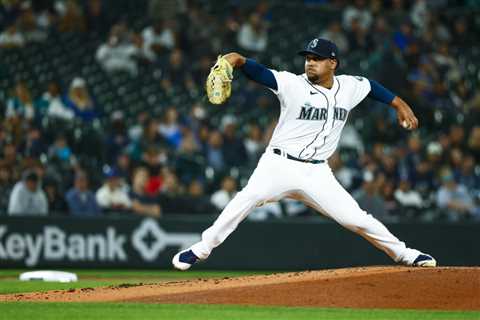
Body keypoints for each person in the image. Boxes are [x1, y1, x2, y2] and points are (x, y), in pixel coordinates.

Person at [173, 38, 437, 270]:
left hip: (317, 172)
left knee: (355, 218)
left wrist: (399, 104)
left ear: (333, 63)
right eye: (308, 59)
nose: (310, 63)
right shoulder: (292, 84)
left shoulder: (349, 87)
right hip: (279, 165)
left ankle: (406, 254)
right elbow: (261, 73)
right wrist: (237, 59)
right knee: (245, 199)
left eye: (317, 59)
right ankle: (201, 249)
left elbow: (372, 87)